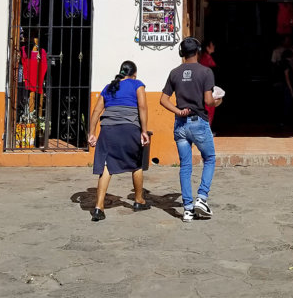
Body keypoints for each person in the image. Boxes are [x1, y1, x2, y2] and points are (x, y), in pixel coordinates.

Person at [160, 37, 222, 222]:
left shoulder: (174, 73)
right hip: (198, 123)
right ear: (198, 51)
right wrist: (219, 100)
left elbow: (163, 100)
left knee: (185, 166)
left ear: (182, 53)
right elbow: (209, 101)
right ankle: (201, 198)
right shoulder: (205, 72)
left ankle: (187, 209)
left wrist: (178, 111)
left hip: (180, 125)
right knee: (209, 158)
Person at [87, 60, 151, 221]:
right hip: (129, 128)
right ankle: (138, 200)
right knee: (136, 163)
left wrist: (92, 133)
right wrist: (144, 130)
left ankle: (98, 207)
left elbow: (96, 110)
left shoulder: (109, 87)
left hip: (108, 130)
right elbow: (142, 107)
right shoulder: (137, 84)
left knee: (107, 166)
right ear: (134, 74)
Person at [199, 39, 218, 125]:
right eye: (212, 45)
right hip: (206, 87)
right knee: (209, 107)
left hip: (207, 86)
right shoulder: (206, 58)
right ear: (207, 48)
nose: (213, 47)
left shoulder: (205, 57)